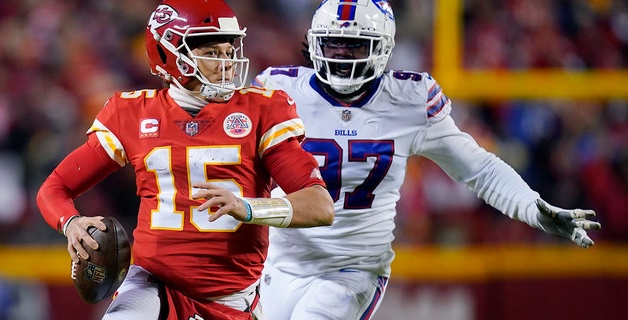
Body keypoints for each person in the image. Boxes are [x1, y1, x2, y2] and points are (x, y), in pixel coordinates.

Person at [251, 0, 602, 319]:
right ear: (315, 44)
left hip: (353, 268)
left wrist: (531, 206)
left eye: (356, 45)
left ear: (383, 47)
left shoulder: (409, 101)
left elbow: (477, 168)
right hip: (278, 263)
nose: (342, 56)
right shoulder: (279, 90)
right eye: (334, 44)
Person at [36, 0, 334, 319]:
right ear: (170, 55)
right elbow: (54, 189)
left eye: (229, 51)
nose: (228, 63)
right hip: (153, 285)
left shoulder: (261, 111)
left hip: (233, 297)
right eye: (212, 53)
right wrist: (71, 223)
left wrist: (249, 208)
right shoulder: (133, 114)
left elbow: (320, 206)